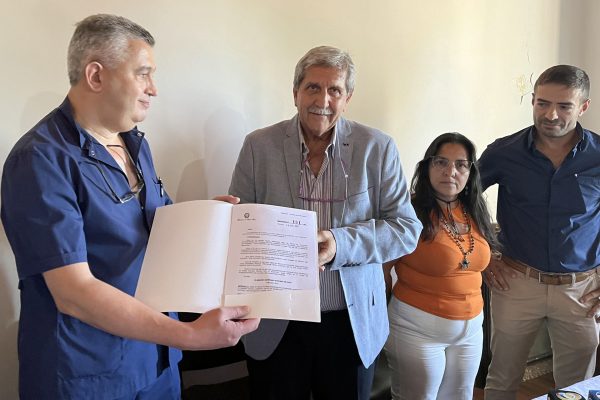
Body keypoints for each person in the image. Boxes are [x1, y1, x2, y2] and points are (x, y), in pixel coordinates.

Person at [1, 14, 259, 400]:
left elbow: (154, 226)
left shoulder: (135, 145)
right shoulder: (40, 159)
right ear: (96, 76)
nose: (154, 88)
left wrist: (205, 219)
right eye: (143, 74)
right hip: (87, 375)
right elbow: (73, 291)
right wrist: (190, 335)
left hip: (156, 363)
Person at [228, 45, 422, 400]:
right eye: (313, 88)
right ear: (296, 93)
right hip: (277, 324)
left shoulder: (377, 148)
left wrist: (339, 244)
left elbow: (406, 229)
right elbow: (239, 227)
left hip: (350, 324)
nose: (323, 100)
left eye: (335, 90)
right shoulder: (258, 146)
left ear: (347, 98)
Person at [480, 65, 600, 399]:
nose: (551, 115)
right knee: (501, 379)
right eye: (543, 103)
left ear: (583, 107)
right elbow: (460, 201)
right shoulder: (503, 152)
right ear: (533, 100)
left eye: (564, 106)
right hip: (515, 282)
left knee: (574, 388)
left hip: (582, 291)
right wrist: (484, 256)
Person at [383, 133, 497, 399]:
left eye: (461, 164)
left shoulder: (474, 208)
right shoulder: (408, 211)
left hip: (471, 332)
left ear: (470, 172)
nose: (450, 172)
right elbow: (382, 269)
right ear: (427, 167)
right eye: (441, 162)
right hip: (416, 331)